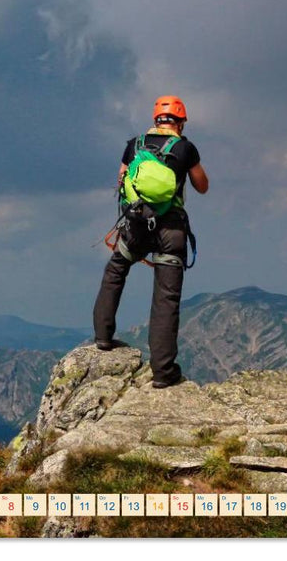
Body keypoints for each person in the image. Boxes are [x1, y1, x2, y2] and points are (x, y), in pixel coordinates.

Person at [93, 96, 209, 388]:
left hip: (135, 224)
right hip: (170, 228)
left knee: (116, 269)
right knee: (166, 297)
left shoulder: (134, 144)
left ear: (156, 119)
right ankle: (163, 371)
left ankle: (103, 336)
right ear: (180, 122)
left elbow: (121, 179)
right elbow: (202, 186)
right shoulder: (185, 147)